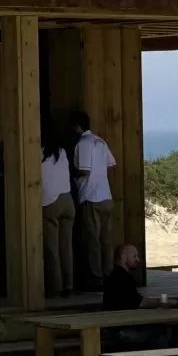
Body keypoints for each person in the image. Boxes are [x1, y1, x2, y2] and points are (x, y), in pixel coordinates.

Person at [70, 110, 117, 287]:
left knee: (93, 240)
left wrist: (71, 175)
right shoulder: (100, 141)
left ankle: (96, 278)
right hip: (106, 195)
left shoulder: (83, 143)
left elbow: (84, 170)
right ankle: (109, 274)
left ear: (77, 127)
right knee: (107, 240)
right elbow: (111, 163)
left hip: (91, 196)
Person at [39, 124, 76, 297]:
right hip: (67, 200)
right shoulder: (61, 152)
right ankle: (69, 285)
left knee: (52, 248)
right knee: (66, 247)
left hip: (50, 202)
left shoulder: (39, 153)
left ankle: (55, 287)